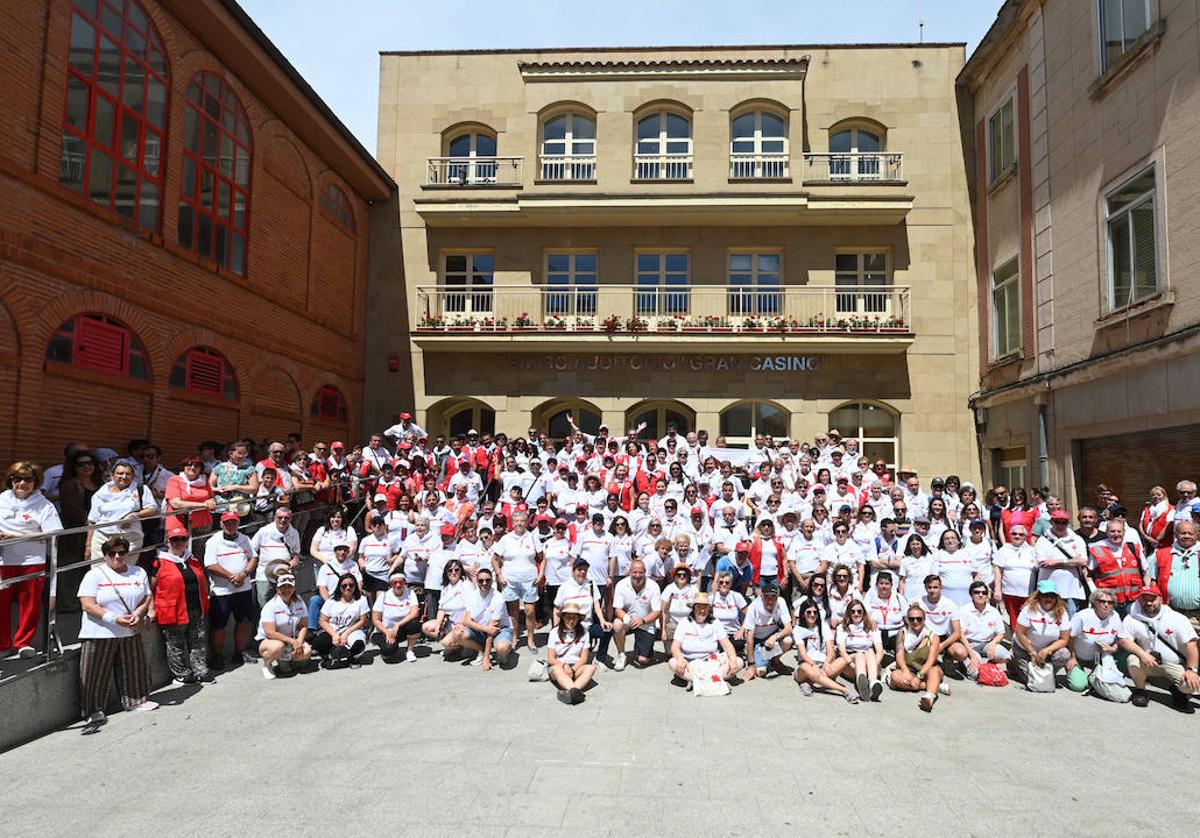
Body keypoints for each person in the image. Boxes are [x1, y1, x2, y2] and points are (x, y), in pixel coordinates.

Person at [77, 536, 156, 727]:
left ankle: (135, 700)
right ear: (105, 555)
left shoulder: (138, 572)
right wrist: (113, 618)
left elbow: (147, 596)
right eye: (112, 553)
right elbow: (87, 604)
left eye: (122, 552)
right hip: (100, 632)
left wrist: (138, 613)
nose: (117, 557)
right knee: (94, 673)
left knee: (133, 667)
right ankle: (93, 710)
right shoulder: (95, 575)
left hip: (130, 629)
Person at [1, 461, 63, 657]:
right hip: (3, 559)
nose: (22, 483)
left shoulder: (44, 504)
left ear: (35, 482)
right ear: (10, 480)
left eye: (28, 479)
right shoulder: (1, 500)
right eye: (17, 479)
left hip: (32, 559)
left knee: (30, 604)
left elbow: (52, 534)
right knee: (1, 604)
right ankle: (2, 645)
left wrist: (16, 537)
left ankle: (23, 643)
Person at [1123, 587, 1200, 711]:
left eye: (1152, 599)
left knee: (1191, 685)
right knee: (1132, 659)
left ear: (1161, 599)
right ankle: (1140, 691)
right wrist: (1142, 653)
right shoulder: (1133, 617)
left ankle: (1180, 691)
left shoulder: (1177, 618)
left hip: (1176, 664)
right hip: (1148, 661)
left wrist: (1192, 670)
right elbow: (1124, 640)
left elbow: (1191, 645)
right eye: (1144, 599)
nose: (1148, 603)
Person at [151, 527, 209, 684]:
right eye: (174, 539)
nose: (179, 543)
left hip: (195, 607)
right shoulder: (159, 562)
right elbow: (151, 587)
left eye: (183, 539)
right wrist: (150, 609)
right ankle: (182, 674)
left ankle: (200, 672)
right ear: (167, 542)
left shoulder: (193, 559)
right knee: (175, 644)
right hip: (173, 610)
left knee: (197, 641)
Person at [203, 510, 257, 668]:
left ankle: (239, 653)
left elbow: (253, 557)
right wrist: (232, 577)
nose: (230, 525)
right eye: (227, 522)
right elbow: (210, 565)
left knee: (245, 622)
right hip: (222, 592)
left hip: (244, 589)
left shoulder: (245, 538)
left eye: (233, 522)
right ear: (221, 524)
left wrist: (244, 573)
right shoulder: (213, 541)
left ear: (238, 523)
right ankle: (218, 656)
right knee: (219, 626)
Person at [1067, 589, 1136, 702]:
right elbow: (1070, 637)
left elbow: (1121, 637)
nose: (1106, 605)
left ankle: (1106, 676)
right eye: (1102, 601)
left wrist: (1114, 648)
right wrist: (1072, 657)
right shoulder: (1082, 616)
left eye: (1110, 602)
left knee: (1127, 650)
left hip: (1100, 657)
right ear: (1094, 602)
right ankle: (1074, 671)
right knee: (1079, 686)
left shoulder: (1115, 616)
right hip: (1079, 657)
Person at [492, 511, 544, 654]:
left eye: (522, 521)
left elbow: (542, 557)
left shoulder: (533, 537)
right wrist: (498, 574)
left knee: (530, 611)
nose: (519, 523)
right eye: (517, 521)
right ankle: (514, 637)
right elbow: (495, 558)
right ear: (512, 523)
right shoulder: (505, 539)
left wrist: (541, 574)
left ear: (526, 522)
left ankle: (530, 639)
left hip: (529, 579)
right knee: (513, 612)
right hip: (510, 579)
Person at [57, 448, 102, 612]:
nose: (87, 467)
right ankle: (69, 605)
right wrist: (92, 522)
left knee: (91, 567)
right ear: (73, 467)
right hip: (75, 532)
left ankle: (88, 602)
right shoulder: (70, 484)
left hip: (97, 529)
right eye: (81, 464)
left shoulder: (100, 483)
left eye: (90, 463)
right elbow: (72, 510)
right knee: (71, 568)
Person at [84, 461, 156, 562]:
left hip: (129, 538)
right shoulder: (100, 493)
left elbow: (152, 510)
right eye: (120, 473)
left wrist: (134, 515)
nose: (124, 476)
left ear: (133, 476)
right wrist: (88, 544)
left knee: (124, 571)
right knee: (100, 571)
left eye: (128, 473)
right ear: (112, 476)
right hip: (102, 537)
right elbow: (92, 520)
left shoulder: (140, 489)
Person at [668, 592, 743, 687]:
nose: (702, 610)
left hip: (712, 663)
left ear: (709, 609)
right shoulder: (684, 623)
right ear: (693, 608)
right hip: (690, 663)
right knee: (672, 662)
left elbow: (727, 645)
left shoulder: (715, 622)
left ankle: (696, 681)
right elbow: (675, 647)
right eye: (699, 607)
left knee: (739, 661)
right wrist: (680, 659)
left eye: (705, 607)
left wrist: (732, 659)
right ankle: (715, 681)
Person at [791, 597, 857, 702]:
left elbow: (831, 651)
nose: (812, 615)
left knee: (844, 659)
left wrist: (827, 663)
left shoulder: (824, 627)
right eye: (809, 612)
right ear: (803, 614)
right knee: (805, 668)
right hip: (807, 665)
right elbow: (803, 654)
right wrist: (813, 665)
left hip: (823, 665)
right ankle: (844, 690)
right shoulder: (797, 630)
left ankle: (809, 682)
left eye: (815, 612)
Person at [1012, 580, 1072, 690]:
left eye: (1052, 596)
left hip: (1047, 651)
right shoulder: (1029, 609)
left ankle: (1047, 674)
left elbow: (1064, 639)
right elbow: (1020, 633)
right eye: (1045, 595)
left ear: (1057, 597)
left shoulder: (1062, 612)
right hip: (1024, 649)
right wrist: (1032, 653)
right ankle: (1014, 664)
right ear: (1039, 596)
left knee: (1064, 654)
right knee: (1032, 680)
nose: (1049, 599)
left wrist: (1046, 651)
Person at [889, 603, 947, 712]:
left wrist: (919, 676)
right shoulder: (902, 633)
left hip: (926, 670)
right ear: (908, 620)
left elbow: (931, 660)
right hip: (909, 671)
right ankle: (932, 686)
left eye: (919, 619)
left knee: (934, 671)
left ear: (924, 620)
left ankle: (929, 698)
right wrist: (905, 671)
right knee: (895, 676)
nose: (915, 622)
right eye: (912, 619)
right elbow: (899, 654)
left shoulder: (933, 637)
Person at [453, 566, 514, 670]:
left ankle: (502, 653)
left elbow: (492, 630)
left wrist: (486, 659)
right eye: (481, 581)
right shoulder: (473, 595)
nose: (484, 583)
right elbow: (466, 620)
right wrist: (485, 629)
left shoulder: (498, 598)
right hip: (482, 628)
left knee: (502, 648)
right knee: (457, 634)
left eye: (487, 580)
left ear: (492, 580)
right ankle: (481, 650)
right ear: (477, 581)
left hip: (499, 629)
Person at [256, 572, 312, 679]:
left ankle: (284, 661)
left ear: (294, 588)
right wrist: (292, 642)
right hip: (270, 640)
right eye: (282, 587)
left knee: (306, 652)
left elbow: (304, 625)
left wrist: (299, 642)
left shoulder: (299, 602)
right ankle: (267, 665)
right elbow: (270, 632)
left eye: (289, 586)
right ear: (277, 589)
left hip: (292, 638)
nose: (286, 590)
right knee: (278, 647)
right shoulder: (270, 606)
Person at [1086, 519, 1144, 617]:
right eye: (1112, 531)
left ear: (1124, 532)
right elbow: (1087, 574)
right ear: (1107, 533)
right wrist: (1095, 592)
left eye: (1119, 531)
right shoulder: (1097, 549)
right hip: (1109, 601)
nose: (1116, 534)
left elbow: (1146, 572)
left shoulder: (1133, 548)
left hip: (1133, 600)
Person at [1035, 509, 1089, 616]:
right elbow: (1044, 563)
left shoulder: (1077, 539)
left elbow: (1083, 561)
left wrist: (1057, 562)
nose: (1060, 525)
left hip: (1071, 589)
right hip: (1048, 589)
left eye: (1063, 522)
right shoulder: (1042, 540)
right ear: (1051, 522)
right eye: (1057, 522)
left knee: (1070, 619)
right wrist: (1073, 561)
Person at [611, 559, 661, 670]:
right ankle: (621, 654)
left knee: (643, 660)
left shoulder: (653, 586)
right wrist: (629, 619)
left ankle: (642, 647)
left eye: (640, 572)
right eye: (634, 572)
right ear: (629, 572)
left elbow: (657, 611)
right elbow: (617, 610)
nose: (637, 575)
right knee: (617, 624)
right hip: (629, 621)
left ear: (645, 572)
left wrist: (642, 621)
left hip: (646, 623)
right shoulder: (621, 585)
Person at [1149, 520, 1200, 628]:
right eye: (1183, 533)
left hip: (1197, 616)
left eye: (1190, 533)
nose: (1186, 536)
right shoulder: (1161, 554)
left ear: (1197, 535)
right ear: (1176, 535)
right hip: (1170, 613)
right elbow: (1153, 582)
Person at [314, 573, 369, 667]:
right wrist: (334, 634)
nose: (348, 588)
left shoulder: (361, 600)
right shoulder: (331, 601)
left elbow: (363, 621)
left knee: (358, 643)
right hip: (333, 631)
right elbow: (322, 621)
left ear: (355, 586)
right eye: (344, 586)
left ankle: (353, 658)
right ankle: (328, 657)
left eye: (351, 585)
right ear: (339, 587)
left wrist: (346, 633)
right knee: (319, 643)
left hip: (352, 631)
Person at [741, 581, 793, 680]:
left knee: (788, 640)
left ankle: (775, 660)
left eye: (773, 598)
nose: (770, 601)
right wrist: (751, 665)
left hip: (772, 636)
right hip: (757, 640)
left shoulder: (781, 602)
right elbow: (750, 637)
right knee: (761, 672)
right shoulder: (754, 607)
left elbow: (789, 628)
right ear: (761, 597)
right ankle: (760, 659)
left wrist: (775, 637)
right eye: (767, 598)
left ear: (777, 598)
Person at [547, 602, 596, 704]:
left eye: (574, 618)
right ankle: (575, 691)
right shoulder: (554, 632)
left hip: (576, 667)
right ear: (563, 617)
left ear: (578, 619)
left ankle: (571, 692)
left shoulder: (584, 633)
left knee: (591, 668)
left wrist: (572, 670)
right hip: (560, 667)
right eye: (568, 617)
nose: (571, 621)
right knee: (556, 669)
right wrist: (564, 666)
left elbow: (584, 658)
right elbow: (551, 659)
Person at [250, 508, 301, 606]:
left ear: (290, 519)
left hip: (285, 575)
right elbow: (252, 549)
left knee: (285, 604)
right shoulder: (264, 531)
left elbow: (296, 552)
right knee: (265, 603)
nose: (283, 520)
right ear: (274, 518)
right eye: (280, 517)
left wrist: (295, 560)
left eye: (286, 518)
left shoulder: (294, 533)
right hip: (264, 576)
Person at [959, 581, 1010, 677]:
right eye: (977, 592)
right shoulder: (964, 610)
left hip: (987, 644)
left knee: (1005, 656)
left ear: (987, 595)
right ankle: (965, 663)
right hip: (970, 645)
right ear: (971, 594)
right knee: (975, 675)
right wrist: (971, 654)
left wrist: (993, 643)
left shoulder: (993, 611)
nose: (980, 595)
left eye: (984, 593)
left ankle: (988, 665)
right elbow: (961, 634)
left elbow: (1001, 633)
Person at [835, 600, 884, 701]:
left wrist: (874, 664)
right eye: (853, 612)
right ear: (848, 613)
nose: (856, 614)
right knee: (860, 655)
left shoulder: (871, 627)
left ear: (864, 613)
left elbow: (879, 651)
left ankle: (872, 682)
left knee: (870, 652)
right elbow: (842, 650)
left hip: (870, 664)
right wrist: (851, 664)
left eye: (859, 611)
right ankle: (862, 681)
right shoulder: (842, 628)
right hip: (851, 662)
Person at [992, 524, 1038, 628]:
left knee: (1028, 621)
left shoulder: (1032, 550)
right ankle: (1015, 642)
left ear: (1025, 537)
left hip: (1029, 594)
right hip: (1009, 593)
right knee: (1013, 621)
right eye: (1014, 534)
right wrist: (997, 589)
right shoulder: (1004, 549)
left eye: (1021, 534)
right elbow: (998, 570)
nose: (1017, 536)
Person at [371, 571, 422, 662]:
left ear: (405, 583)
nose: (398, 585)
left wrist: (398, 624)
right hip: (384, 631)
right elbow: (376, 619)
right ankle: (389, 649)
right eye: (395, 582)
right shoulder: (384, 596)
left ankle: (410, 651)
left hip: (400, 629)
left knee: (415, 624)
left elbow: (414, 613)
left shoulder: (410, 593)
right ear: (391, 584)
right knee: (389, 651)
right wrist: (387, 633)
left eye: (401, 582)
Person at [164, 455, 216, 533]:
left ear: (200, 468)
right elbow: (175, 504)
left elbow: (211, 497)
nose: (192, 467)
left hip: (202, 523)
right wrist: (203, 505)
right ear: (183, 467)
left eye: (196, 465)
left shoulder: (204, 481)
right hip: (179, 523)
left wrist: (211, 501)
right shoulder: (174, 480)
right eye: (188, 465)